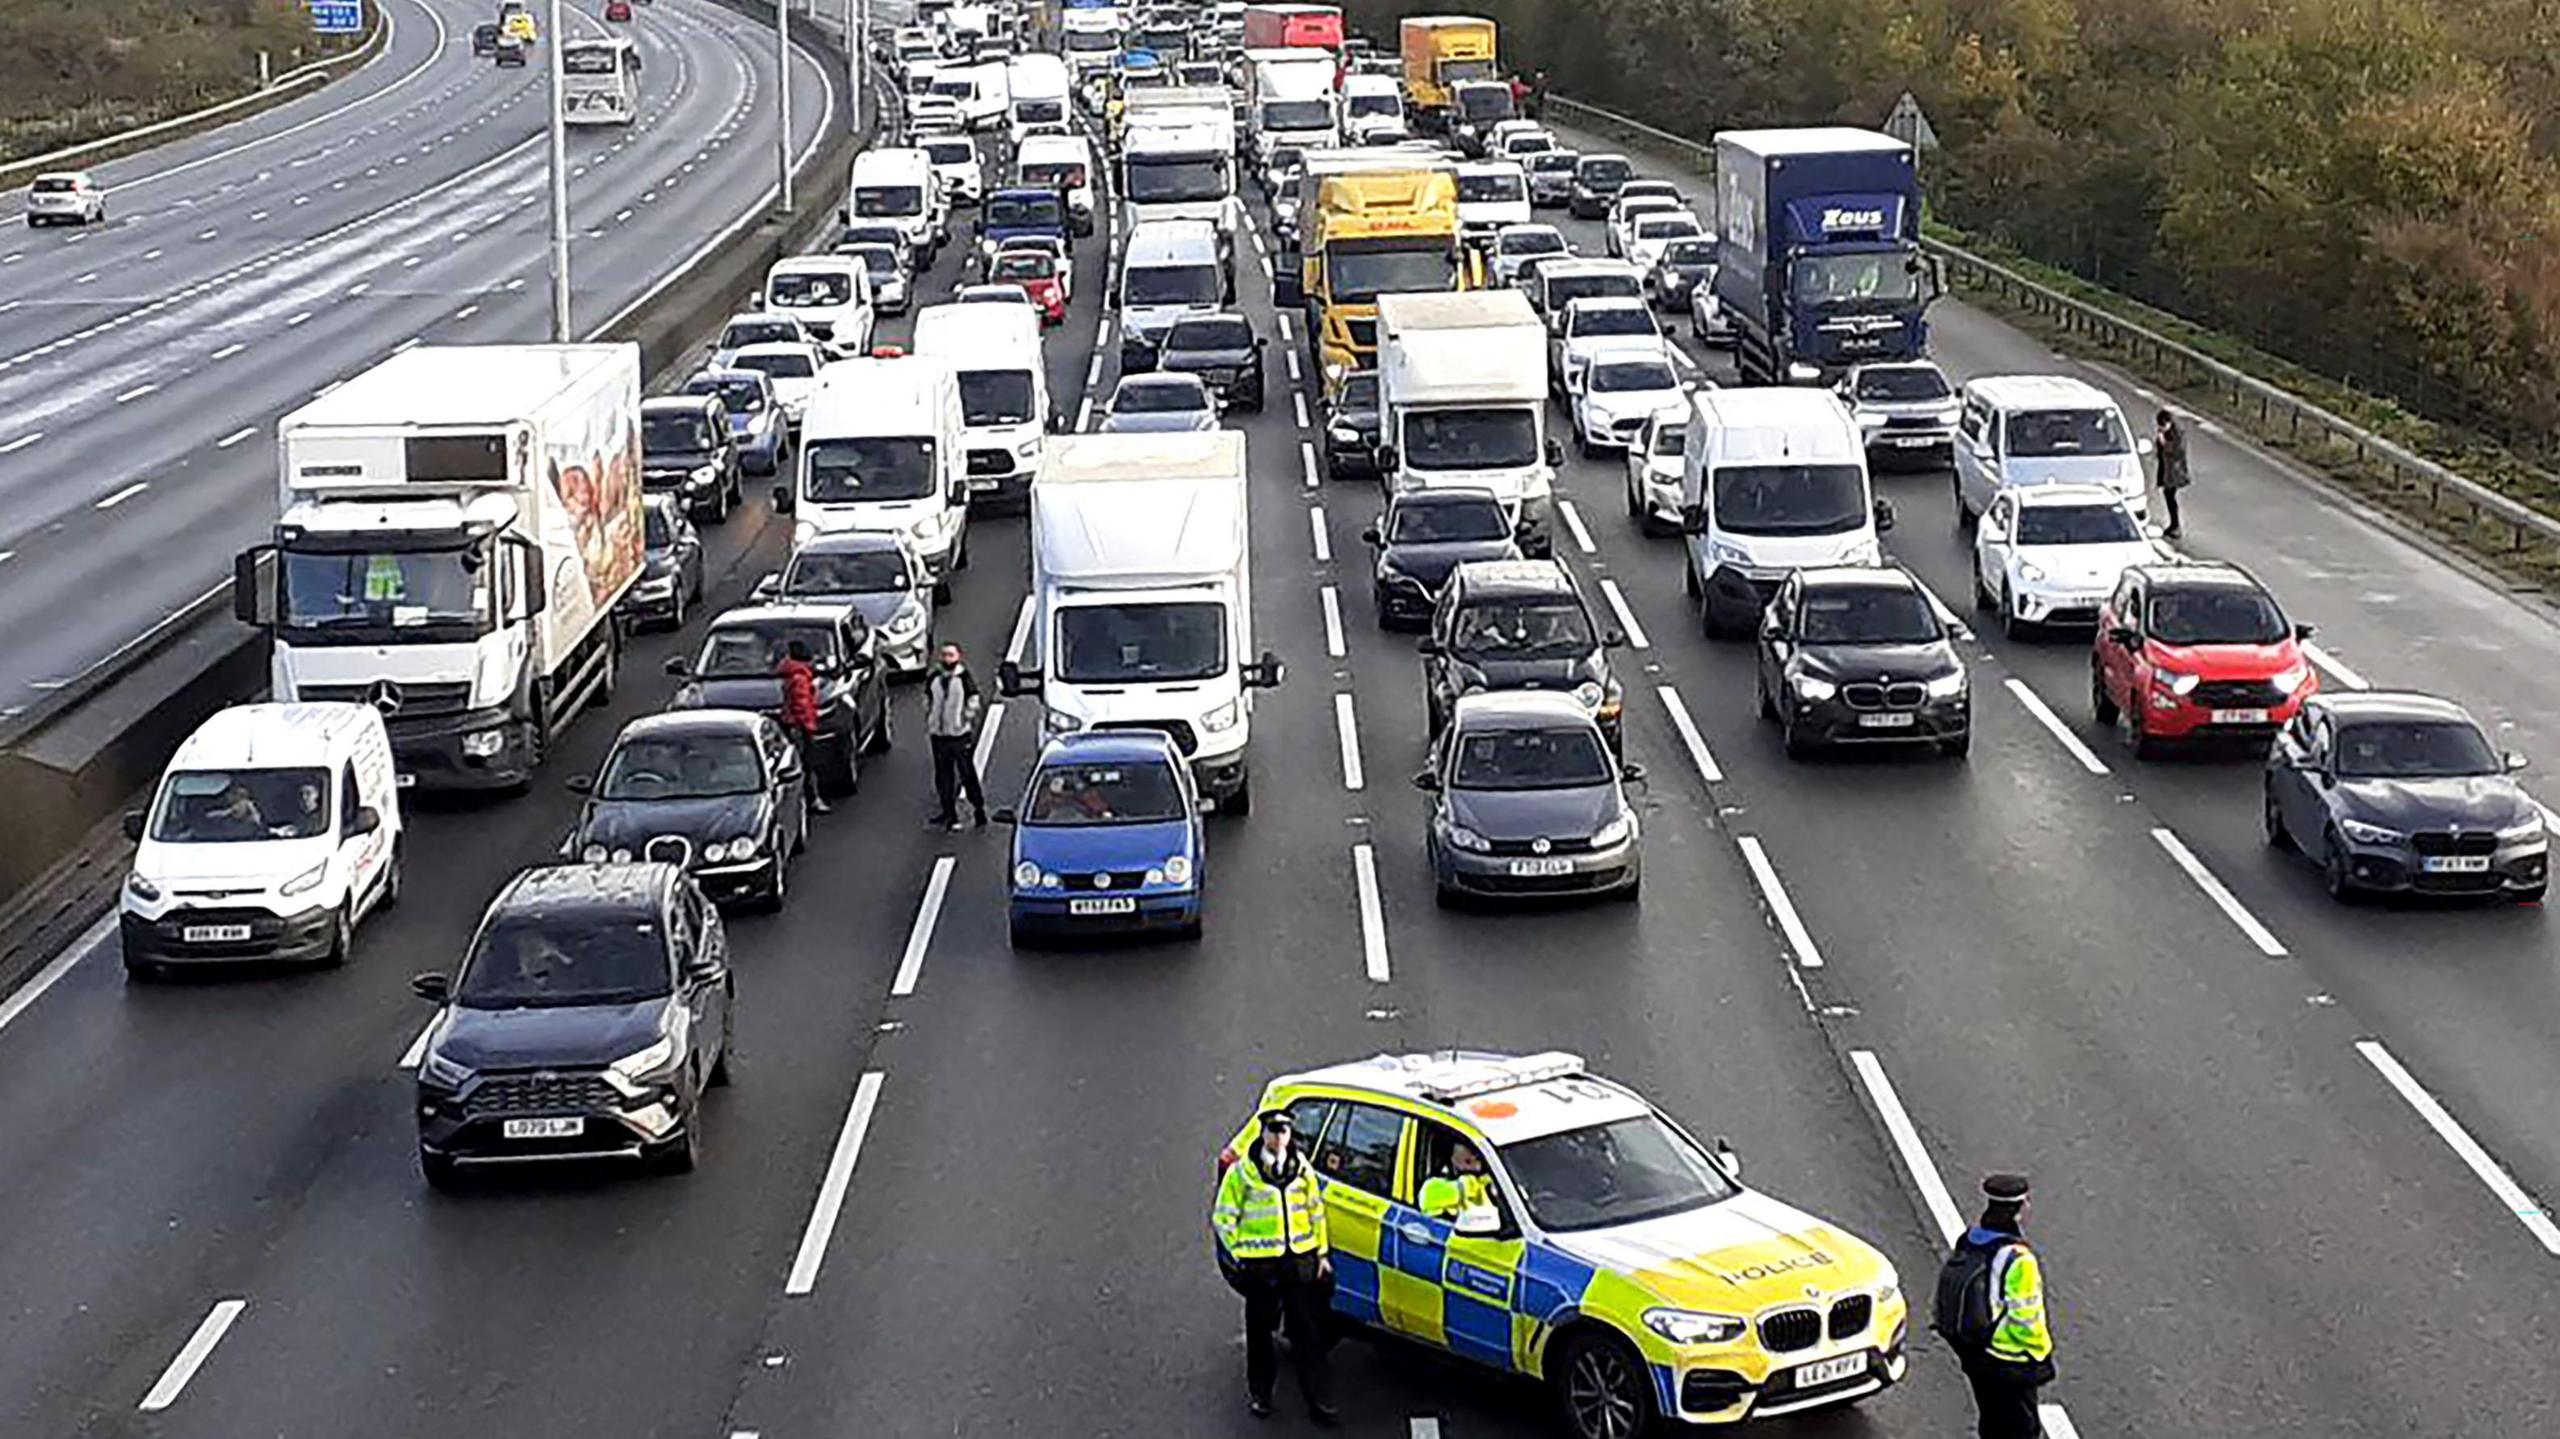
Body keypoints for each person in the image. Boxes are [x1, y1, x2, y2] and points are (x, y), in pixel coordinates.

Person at [1211, 1110, 1338, 1425]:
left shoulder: (1301, 1169)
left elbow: (1315, 1211)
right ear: (1263, 1133)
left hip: (1298, 1261)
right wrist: (1241, 1254)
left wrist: (1320, 1253)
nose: (1280, 1136)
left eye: (1285, 1130)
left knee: (1307, 1332)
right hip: (1262, 1266)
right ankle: (1261, 1394)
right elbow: (1223, 1217)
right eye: (1274, 1130)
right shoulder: (1243, 1173)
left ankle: (1319, 1401)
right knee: (1260, 1331)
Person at [1933, 1172, 2056, 1439]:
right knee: (2021, 1430)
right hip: (2009, 1358)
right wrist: (2040, 1353)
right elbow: (2026, 1318)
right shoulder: (2019, 1258)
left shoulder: (1971, 1239)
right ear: (2019, 1210)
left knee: (1991, 1422)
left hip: (1974, 1350)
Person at [924, 641, 988, 832]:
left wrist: (964, 718)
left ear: (958, 657)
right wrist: (931, 718)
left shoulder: (963, 678)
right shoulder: (934, 677)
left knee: (966, 773)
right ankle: (948, 813)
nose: (946, 659)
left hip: (958, 735)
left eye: (950, 655)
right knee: (943, 775)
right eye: (944, 655)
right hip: (939, 734)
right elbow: (927, 697)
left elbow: (974, 698)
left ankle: (978, 808)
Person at [776, 639, 832, 815]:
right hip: (800, 728)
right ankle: (812, 800)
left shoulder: (791, 675)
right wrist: (809, 728)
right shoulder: (800, 678)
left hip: (792, 725)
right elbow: (802, 706)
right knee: (807, 765)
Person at [1419, 1140, 1493, 1220]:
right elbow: (1426, 1199)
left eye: (1478, 1159)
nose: (1477, 1167)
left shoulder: (1490, 1178)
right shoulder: (1433, 1188)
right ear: (1453, 1160)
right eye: (1468, 1162)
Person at [2154, 410, 2191, 539]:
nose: (2160, 429)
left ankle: (2176, 526)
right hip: (2167, 468)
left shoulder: (2178, 433)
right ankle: (2173, 524)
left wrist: (2163, 442)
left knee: (2170, 495)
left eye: (2163, 426)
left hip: (2175, 470)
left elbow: (2177, 450)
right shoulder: (2165, 432)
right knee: (2168, 495)